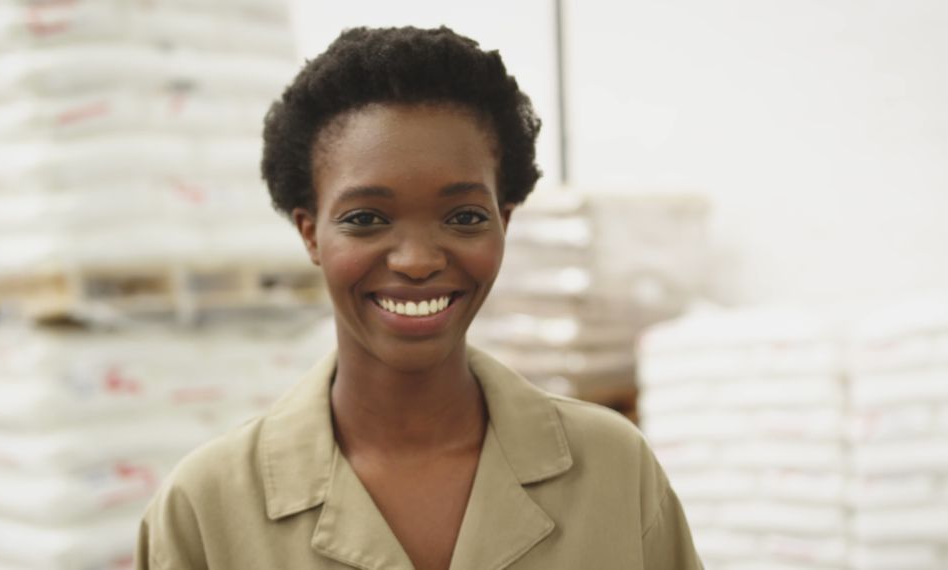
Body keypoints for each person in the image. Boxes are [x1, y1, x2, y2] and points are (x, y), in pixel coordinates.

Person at [135, 26, 702, 570]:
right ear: (311, 233)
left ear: (504, 223)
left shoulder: (613, 470)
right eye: (365, 218)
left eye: (464, 217)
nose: (418, 260)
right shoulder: (206, 508)